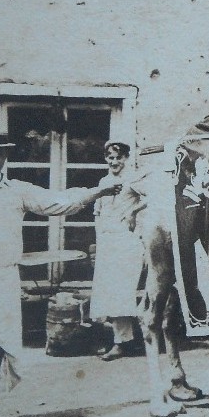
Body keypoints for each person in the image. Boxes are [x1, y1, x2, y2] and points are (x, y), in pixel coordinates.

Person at [0, 132, 122, 417]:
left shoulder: (18, 190)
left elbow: (58, 203)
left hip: (0, 278)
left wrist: (97, 192)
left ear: (6, 155)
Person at [90, 141, 144, 361]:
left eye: (118, 158)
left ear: (126, 158)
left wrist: (133, 211)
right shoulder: (104, 182)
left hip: (126, 241)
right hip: (107, 241)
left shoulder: (134, 178)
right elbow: (97, 212)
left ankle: (122, 343)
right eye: (110, 158)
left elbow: (153, 196)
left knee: (121, 292)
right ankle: (120, 340)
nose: (114, 162)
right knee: (107, 293)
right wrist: (97, 242)